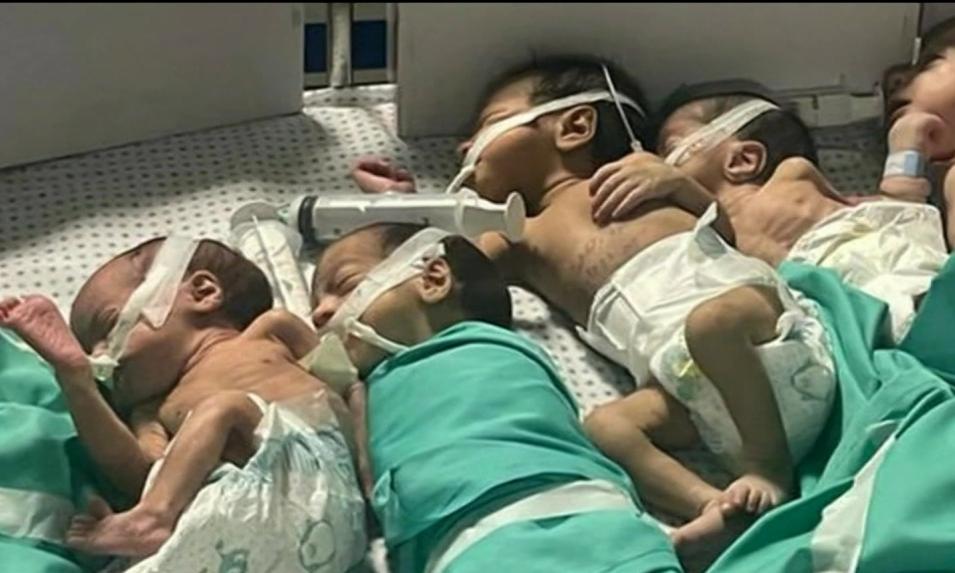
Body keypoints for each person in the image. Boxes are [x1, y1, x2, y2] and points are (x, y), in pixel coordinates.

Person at [345, 56, 836, 548]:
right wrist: (404, 201)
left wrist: (680, 185)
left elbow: (724, 234)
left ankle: (769, 470)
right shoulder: (521, 235)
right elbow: (444, 268)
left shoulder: (640, 175)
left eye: (490, 123)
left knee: (711, 324)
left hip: (765, 336)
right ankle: (717, 507)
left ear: (575, 127)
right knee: (606, 426)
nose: (463, 148)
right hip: (693, 394)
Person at [310, 222, 682, 572]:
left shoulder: (487, 344)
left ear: (433, 278)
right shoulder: (367, 392)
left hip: (584, 525)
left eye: (345, 284)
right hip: (464, 551)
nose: (319, 313)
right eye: (316, 304)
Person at [0, 237, 359, 559]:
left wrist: (368, 463)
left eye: (109, 327)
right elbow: (141, 477)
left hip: (322, 473)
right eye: (89, 352)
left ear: (202, 293)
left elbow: (347, 383)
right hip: (255, 525)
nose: (100, 359)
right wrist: (75, 377)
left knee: (226, 406)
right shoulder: (151, 413)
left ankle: (152, 520)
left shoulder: (272, 331)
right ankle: (152, 520)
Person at [591, 80, 948, 342]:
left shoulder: (793, 175)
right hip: (849, 322)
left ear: (743, 160)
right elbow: (718, 233)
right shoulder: (699, 231)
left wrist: (906, 151)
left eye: (670, 148)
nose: (660, 162)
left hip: (901, 271)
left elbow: (898, 209)